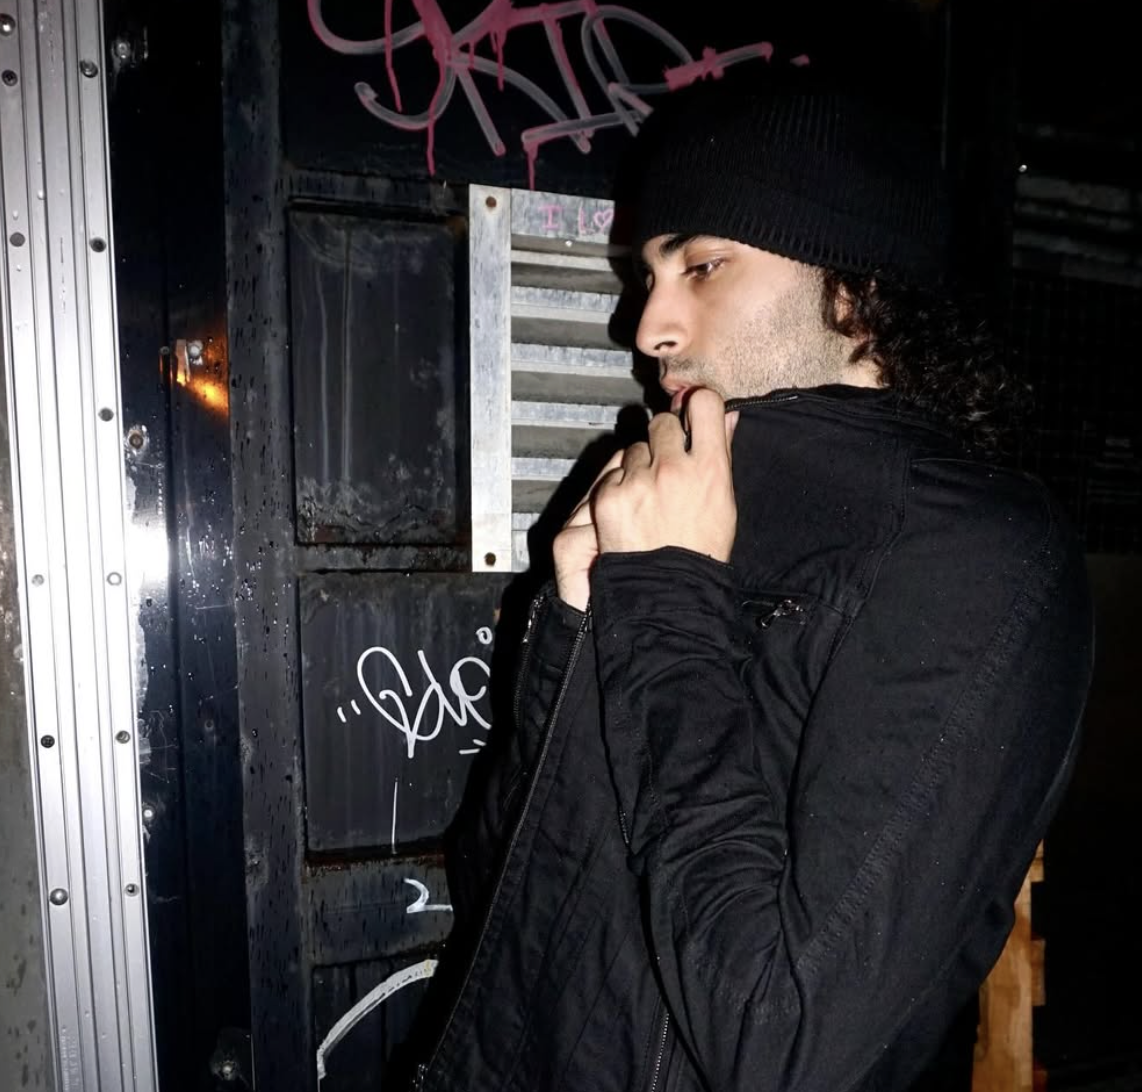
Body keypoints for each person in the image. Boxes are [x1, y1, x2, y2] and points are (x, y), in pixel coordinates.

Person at [414, 71, 1094, 1092]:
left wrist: (669, 600)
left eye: (703, 266)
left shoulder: (972, 556)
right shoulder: (663, 498)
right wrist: (568, 624)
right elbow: (499, 887)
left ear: (853, 286)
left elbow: (781, 1044)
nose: (647, 329)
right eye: (647, 276)